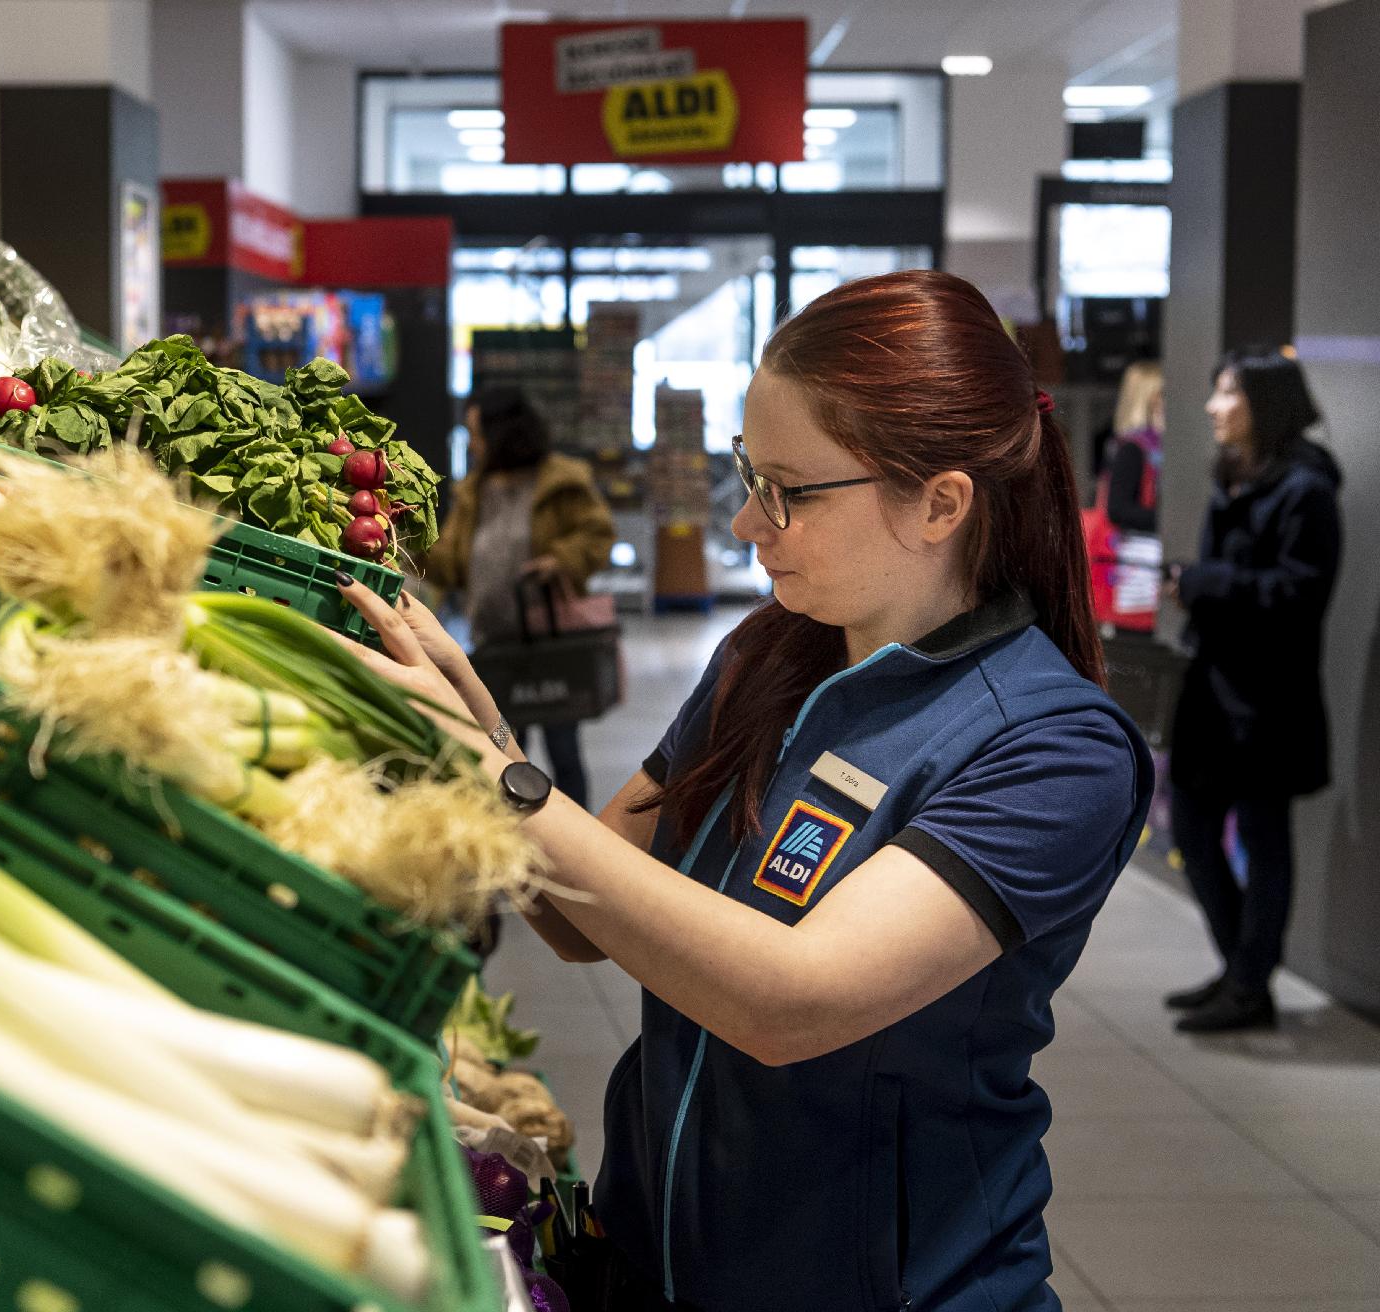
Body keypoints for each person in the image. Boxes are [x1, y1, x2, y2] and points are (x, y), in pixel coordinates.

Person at [335, 270, 1152, 1312]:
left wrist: (502, 776)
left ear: (939, 502)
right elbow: (587, 918)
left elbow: (789, 1001)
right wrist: (467, 726)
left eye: (786, 490)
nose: (742, 524)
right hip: (659, 1261)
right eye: (744, 474)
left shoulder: (1050, 748)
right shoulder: (765, 659)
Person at [1162, 348, 1341, 1033]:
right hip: (1215, 690)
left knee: (1264, 840)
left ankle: (1248, 982)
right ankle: (1243, 972)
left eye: (1226, 393)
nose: (1212, 407)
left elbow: (1301, 595)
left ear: (1264, 403)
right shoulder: (1233, 477)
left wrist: (1205, 584)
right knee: (1193, 829)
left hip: (1270, 701)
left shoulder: (1305, 489)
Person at [423, 385, 614, 809]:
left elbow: (598, 535)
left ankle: (580, 840)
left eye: (477, 432)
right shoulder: (475, 490)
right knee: (504, 750)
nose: (472, 443)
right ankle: (521, 840)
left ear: (502, 432)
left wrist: (559, 560)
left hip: (552, 642)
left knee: (564, 749)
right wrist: (409, 544)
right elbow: (452, 562)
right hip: (494, 643)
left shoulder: (560, 479)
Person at [1082, 360, 1166, 630]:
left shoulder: (1136, 446)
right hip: (1134, 567)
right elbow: (1118, 509)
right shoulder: (1135, 448)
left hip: (1138, 570)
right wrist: (1169, 521)